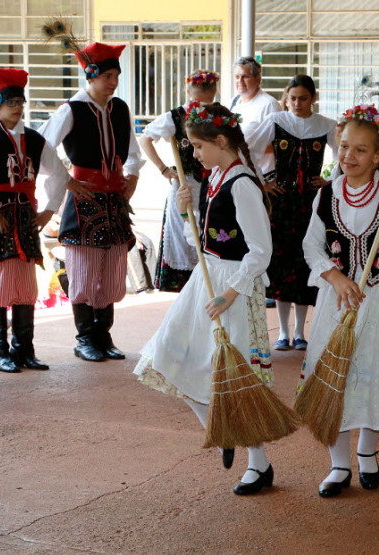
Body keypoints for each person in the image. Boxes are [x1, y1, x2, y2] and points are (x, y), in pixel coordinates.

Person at [134, 102, 276, 495]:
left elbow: (260, 251)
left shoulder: (242, 184)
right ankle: (221, 429)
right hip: (207, 278)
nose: (193, 154)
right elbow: (208, 239)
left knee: (235, 376)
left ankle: (258, 463)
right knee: (168, 356)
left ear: (220, 141)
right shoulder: (215, 178)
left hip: (233, 286)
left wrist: (231, 293)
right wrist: (184, 213)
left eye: (197, 146)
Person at [300, 104, 379, 497]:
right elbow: (311, 246)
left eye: (360, 150)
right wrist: (335, 277)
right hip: (338, 300)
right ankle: (339, 464)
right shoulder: (328, 195)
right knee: (336, 377)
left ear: (377, 156)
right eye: (344, 147)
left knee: (374, 374)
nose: (348, 157)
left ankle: (367, 453)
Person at [0, 68, 72, 372]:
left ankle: (24, 349)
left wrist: (49, 210)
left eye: (21, 101)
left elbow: (59, 174)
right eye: (11, 102)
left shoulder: (34, 139)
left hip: (26, 216)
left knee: (25, 285)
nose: (18, 107)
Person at [39, 42, 143, 362]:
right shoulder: (71, 109)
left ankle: (103, 335)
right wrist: (66, 179)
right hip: (84, 202)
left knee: (111, 271)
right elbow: (41, 147)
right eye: (107, 76)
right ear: (91, 75)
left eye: (116, 76)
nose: (113, 82)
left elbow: (134, 153)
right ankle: (84, 338)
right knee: (84, 272)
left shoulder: (120, 108)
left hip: (114, 201)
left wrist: (133, 177)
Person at [247, 75, 338, 350]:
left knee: (304, 263)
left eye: (303, 98)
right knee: (282, 264)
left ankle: (300, 332)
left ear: (313, 98)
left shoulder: (326, 125)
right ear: (286, 99)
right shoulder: (277, 121)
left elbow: (341, 154)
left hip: (311, 204)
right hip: (283, 203)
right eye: (293, 98)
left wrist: (331, 180)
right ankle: (283, 333)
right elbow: (248, 148)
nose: (297, 103)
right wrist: (264, 181)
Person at [138, 70, 218, 292]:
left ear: (214, 91)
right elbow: (146, 139)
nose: (200, 99)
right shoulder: (176, 116)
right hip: (186, 184)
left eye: (206, 94)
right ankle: (187, 290)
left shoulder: (218, 115)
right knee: (185, 234)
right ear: (188, 91)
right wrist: (164, 169)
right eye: (197, 95)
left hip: (214, 184)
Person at [229, 56, 281, 138]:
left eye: (245, 76)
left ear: (258, 79)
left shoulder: (269, 105)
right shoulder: (233, 103)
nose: (240, 81)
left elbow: (277, 142)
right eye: (237, 77)